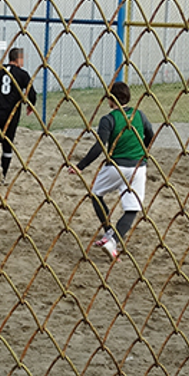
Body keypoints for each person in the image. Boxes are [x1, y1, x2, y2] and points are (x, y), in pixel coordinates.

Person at [67, 81, 155, 260]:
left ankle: (108, 232)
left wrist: (80, 166)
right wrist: (143, 152)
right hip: (138, 166)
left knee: (96, 194)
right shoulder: (139, 115)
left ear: (111, 99)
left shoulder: (109, 119)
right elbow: (150, 135)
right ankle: (113, 241)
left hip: (116, 166)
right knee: (132, 208)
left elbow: (100, 146)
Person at [0, 47, 37, 185]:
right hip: (11, 113)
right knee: (8, 144)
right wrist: (30, 104)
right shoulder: (23, 74)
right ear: (18, 59)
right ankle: (3, 177)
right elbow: (32, 93)